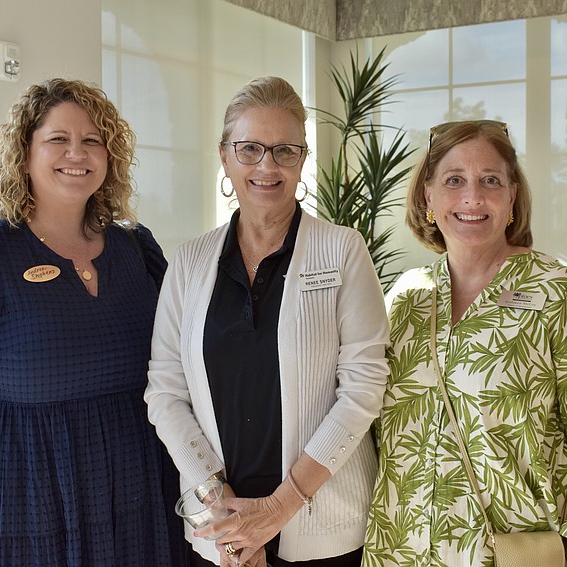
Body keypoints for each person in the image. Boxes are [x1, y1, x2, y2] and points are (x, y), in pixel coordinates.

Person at [0, 78, 187, 566]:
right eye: (58, 139)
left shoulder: (138, 252)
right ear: (23, 153)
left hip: (137, 509)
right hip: (22, 516)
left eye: (93, 140)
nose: (77, 152)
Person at [144, 76, 390, 567]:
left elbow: (363, 386)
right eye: (250, 148)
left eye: (284, 151)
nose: (267, 166)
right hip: (220, 531)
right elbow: (165, 389)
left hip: (323, 528)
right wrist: (227, 514)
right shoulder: (190, 262)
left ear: (302, 159)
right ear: (224, 156)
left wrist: (280, 508)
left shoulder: (342, 250)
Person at [362, 120, 567, 567]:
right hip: (398, 552)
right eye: (454, 181)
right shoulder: (404, 299)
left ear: (511, 198)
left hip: (509, 555)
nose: (472, 197)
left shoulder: (559, 293)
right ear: (428, 195)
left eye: (490, 180)